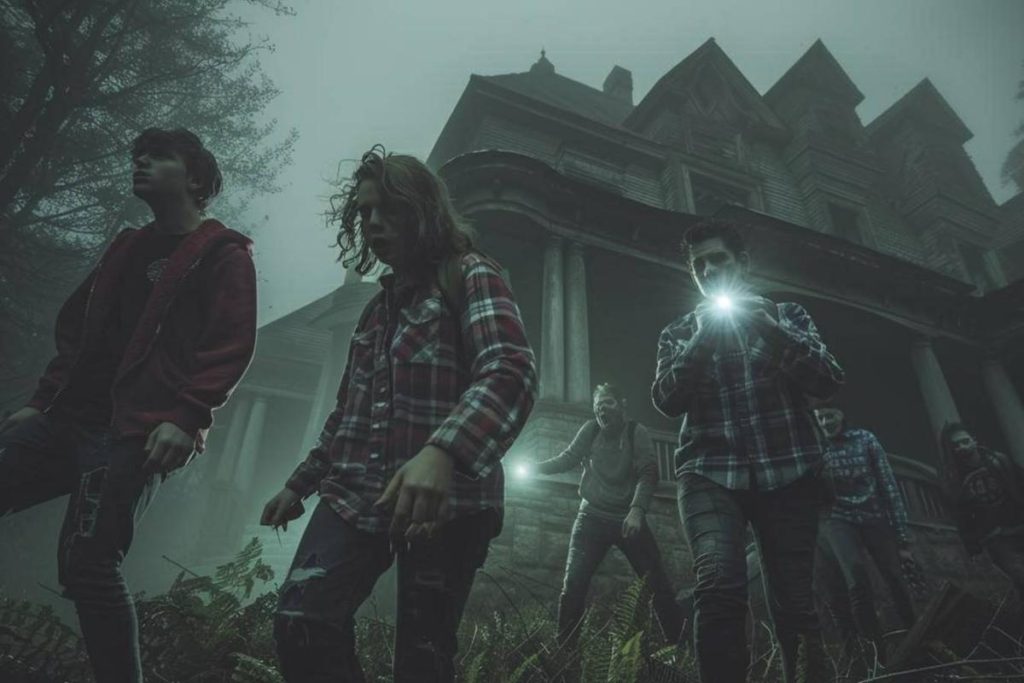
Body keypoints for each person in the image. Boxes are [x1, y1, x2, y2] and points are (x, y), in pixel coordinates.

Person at [262, 146, 538, 682]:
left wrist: (443, 452)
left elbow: (510, 370)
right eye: (365, 212)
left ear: (423, 210)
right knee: (301, 622)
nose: (372, 223)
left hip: (451, 507)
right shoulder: (374, 312)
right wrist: (300, 483)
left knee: (423, 660)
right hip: (353, 495)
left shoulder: (470, 275)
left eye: (387, 209)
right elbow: (348, 412)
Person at [0, 128, 257, 683]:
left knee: (88, 567)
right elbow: (79, 331)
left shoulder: (223, 255)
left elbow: (229, 344)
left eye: (157, 157)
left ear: (195, 177)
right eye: (137, 155)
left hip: (132, 435)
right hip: (65, 419)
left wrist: (187, 417)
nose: (140, 162)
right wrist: (42, 401)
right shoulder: (126, 247)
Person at [652, 219, 844, 683]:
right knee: (718, 586)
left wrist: (770, 330)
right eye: (699, 265)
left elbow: (827, 380)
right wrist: (702, 340)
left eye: (717, 259)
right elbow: (667, 400)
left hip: (790, 472)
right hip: (709, 473)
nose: (708, 270)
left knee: (795, 604)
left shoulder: (787, 315)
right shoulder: (679, 331)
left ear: (741, 263)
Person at [534, 382, 683, 646]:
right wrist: (534, 468)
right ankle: (565, 653)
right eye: (598, 405)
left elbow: (648, 472)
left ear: (621, 405)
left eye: (608, 403)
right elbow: (568, 458)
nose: (602, 409)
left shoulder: (636, 432)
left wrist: (637, 510)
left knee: (657, 584)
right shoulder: (590, 430)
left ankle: (679, 648)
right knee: (573, 586)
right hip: (590, 518)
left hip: (627, 519)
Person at [814, 406, 916, 663]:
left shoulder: (865, 439)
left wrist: (902, 538)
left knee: (894, 575)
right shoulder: (814, 448)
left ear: (842, 415)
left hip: (874, 515)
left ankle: (918, 635)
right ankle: (876, 655)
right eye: (820, 418)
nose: (825, 422)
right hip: (838, 519)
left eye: (830, 416)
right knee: (856, 578)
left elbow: (888, 485)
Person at [941, 422, 1024, 601]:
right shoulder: (955, 478)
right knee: (1020, 577)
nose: (961, 447)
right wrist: (973, 547)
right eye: (956, 445)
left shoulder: (1000, 461)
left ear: (974, 440)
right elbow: (960, 515)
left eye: (965, 441)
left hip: (1019, 524)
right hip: (996, 538)